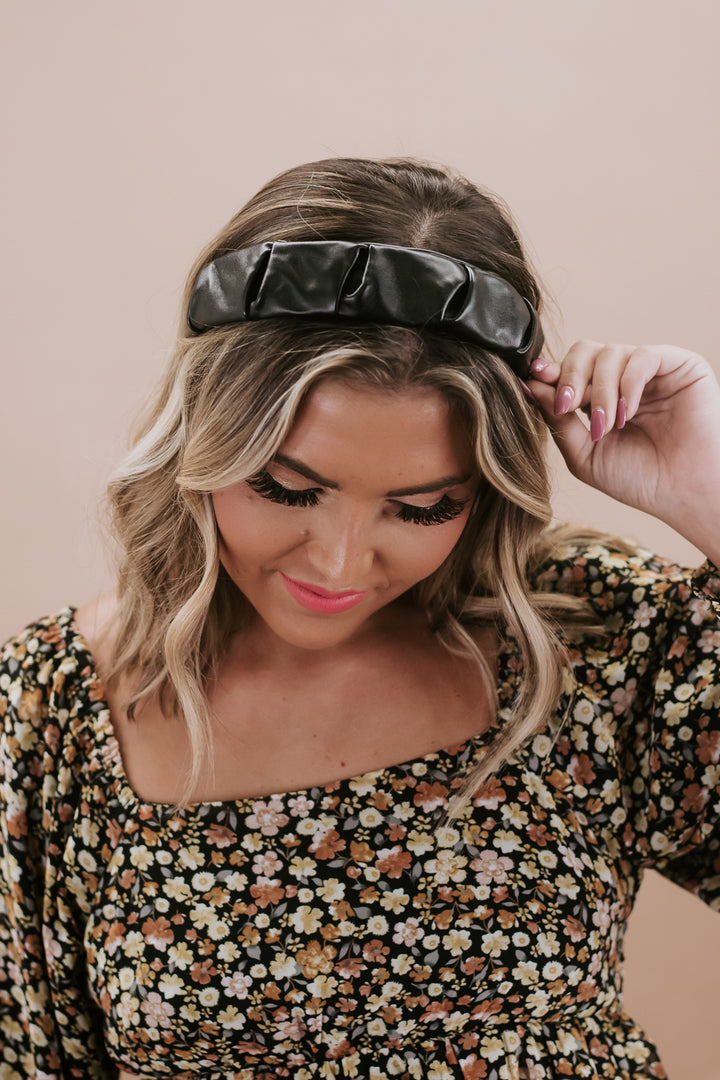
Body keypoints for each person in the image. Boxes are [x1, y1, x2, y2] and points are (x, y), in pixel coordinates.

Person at [1, 157, 718, 1080]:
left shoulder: (586, 631)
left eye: (422, 508)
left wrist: (710, 493)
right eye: (285, 489)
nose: (339, 565)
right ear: (201, 440)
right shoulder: (51, 713)